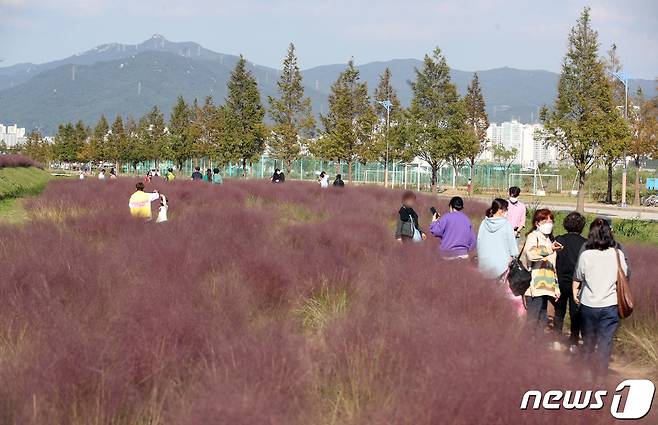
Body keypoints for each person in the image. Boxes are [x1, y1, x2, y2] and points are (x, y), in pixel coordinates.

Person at [573, 218, 628, 374]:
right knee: (605, 342)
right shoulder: (617, 254)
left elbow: (579, 276)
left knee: (589, 341)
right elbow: (625, 276)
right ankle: (601, 374)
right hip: (610, 304)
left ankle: (587, 371)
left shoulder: (586, 255)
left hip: (588, 304)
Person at [522, 209, 562, 339]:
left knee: (542, 321)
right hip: (534, 286)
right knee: (532, 321)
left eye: (551, 221)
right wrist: (550, 249)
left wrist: (556, 287)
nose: (549, 224)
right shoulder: (533, 236)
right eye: (545, 221)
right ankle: (524, 349)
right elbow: (531, 254)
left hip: (546, 287)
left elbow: (552, 266)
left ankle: (537, 350)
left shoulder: (549, 240)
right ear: (537, 223)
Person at [554, 212, 587, 351]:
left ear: (566, 224)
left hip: (561, 280)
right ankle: (573, 341)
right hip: (577, 283)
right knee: (575, 312)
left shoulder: (559, 239)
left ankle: (556, 339)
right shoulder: (585, 243)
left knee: (559, 310)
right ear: (582, 226)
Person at [476, 198, 518, 278]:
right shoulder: (506, 224)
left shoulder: (484, 222)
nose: (507, 212)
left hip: (485, 263)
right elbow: (512, 243)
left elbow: (479, 241)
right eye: (506, 209)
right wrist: (513, 255)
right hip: (501, 265)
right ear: (500, 211)